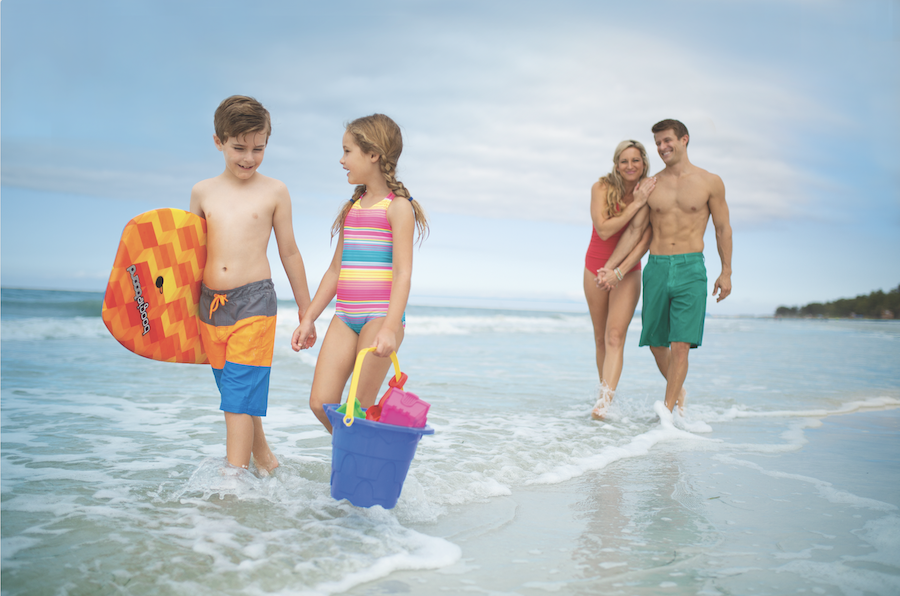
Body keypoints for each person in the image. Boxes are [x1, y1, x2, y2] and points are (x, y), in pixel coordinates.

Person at [190, 95, 313, 473]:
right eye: (238, 148)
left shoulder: (274, 191)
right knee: (235, 396)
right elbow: (189, 258)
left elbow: (289, 252)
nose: (248, 157)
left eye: (258, 149)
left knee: (237, 402)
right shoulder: (202, 192)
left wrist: (307, 314)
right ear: (218, 142)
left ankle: (232, 486)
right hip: (211, 307)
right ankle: (266, 462)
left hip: (255, 303)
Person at [291, 114, 428, 432]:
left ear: (373, 154)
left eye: (347, 151)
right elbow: (335, 270)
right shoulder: (352, 208)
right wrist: (309, 317)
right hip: (344, 317)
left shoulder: (398, 207)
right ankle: (361, 458)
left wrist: (391, 329)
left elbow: (402, 274)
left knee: (357, 410)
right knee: (320, 402)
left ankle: (359, 473)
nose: (342, 160)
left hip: (380, 318)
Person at [598, 119, 732, 415]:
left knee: (680, 344)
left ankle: (669, 413)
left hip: (690, 268)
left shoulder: (710, 182)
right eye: (658, 143)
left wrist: (726, 272)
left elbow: (723, 229)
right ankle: (679, 392)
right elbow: (634, 232)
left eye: (667, 141)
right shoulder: (652, 185)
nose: (662, 147)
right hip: (656, 268)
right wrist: (611, 267)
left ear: (684, 140)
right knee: (656, 343)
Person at [584, 140, 655, 419]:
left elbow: (643, 237)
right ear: (616, 164)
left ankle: (604, 403)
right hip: (594, 267)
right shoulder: (600, 187)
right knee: (600, 338)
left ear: (644, 163)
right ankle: (604, 392)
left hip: (627, 270)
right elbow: (603, 229)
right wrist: (635, 203)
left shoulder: (650, 190)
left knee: (615, 336)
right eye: (624, 161)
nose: (630, 166)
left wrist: (618, 271)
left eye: (635, 160)